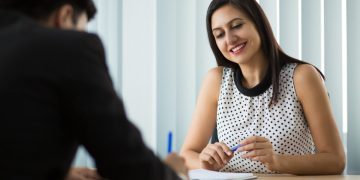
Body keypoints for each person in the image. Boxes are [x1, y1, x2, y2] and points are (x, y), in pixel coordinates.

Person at [0, 0, 188, 179]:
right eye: (80, 29)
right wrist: (175, 173)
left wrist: (60, 174)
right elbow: (126, 162)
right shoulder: (69, 48)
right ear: (65, 16)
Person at [180, 0, 345, 175]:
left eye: (236, 25)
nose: (229, 39)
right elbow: (187, 155)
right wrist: (204, 161)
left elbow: (335, 160)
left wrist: (277, 161)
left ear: (258, 23)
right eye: (219, 34)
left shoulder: (302, 77)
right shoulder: (216, 81)